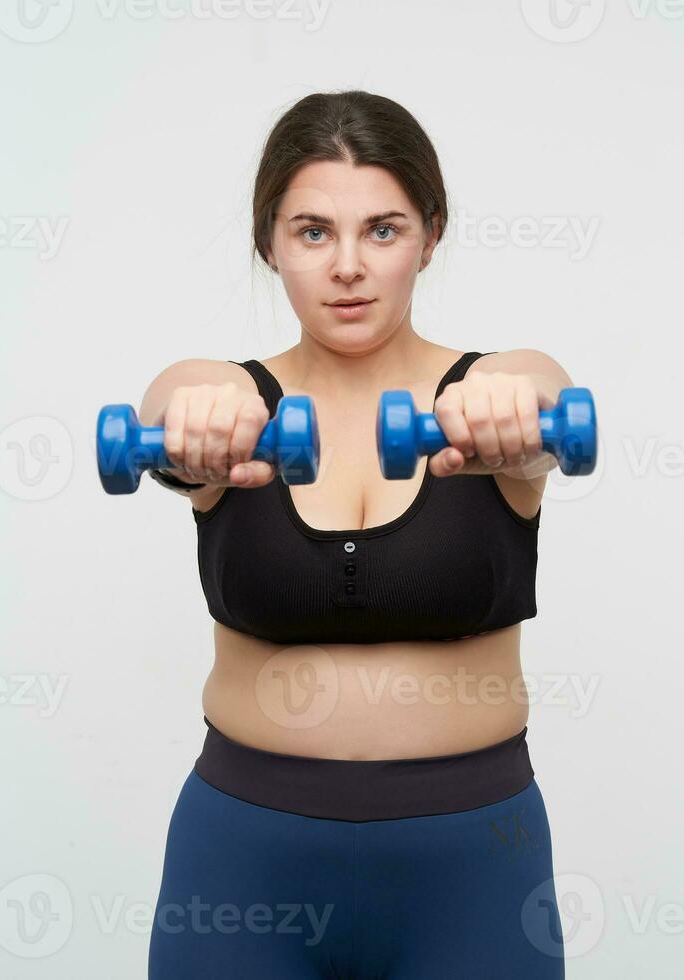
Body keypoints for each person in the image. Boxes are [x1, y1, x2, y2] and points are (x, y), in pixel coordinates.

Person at [140, 90, 572, 978]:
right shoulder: (225, 403)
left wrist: (511, 410)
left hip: (472, 868)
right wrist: (195, 422)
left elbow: (545, 394)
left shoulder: (493, 400)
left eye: (383, 230)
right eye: (312, 232)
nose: (348, 266)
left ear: (430, 235)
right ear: (269, 243)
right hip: (242, 867)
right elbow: (168, 408)